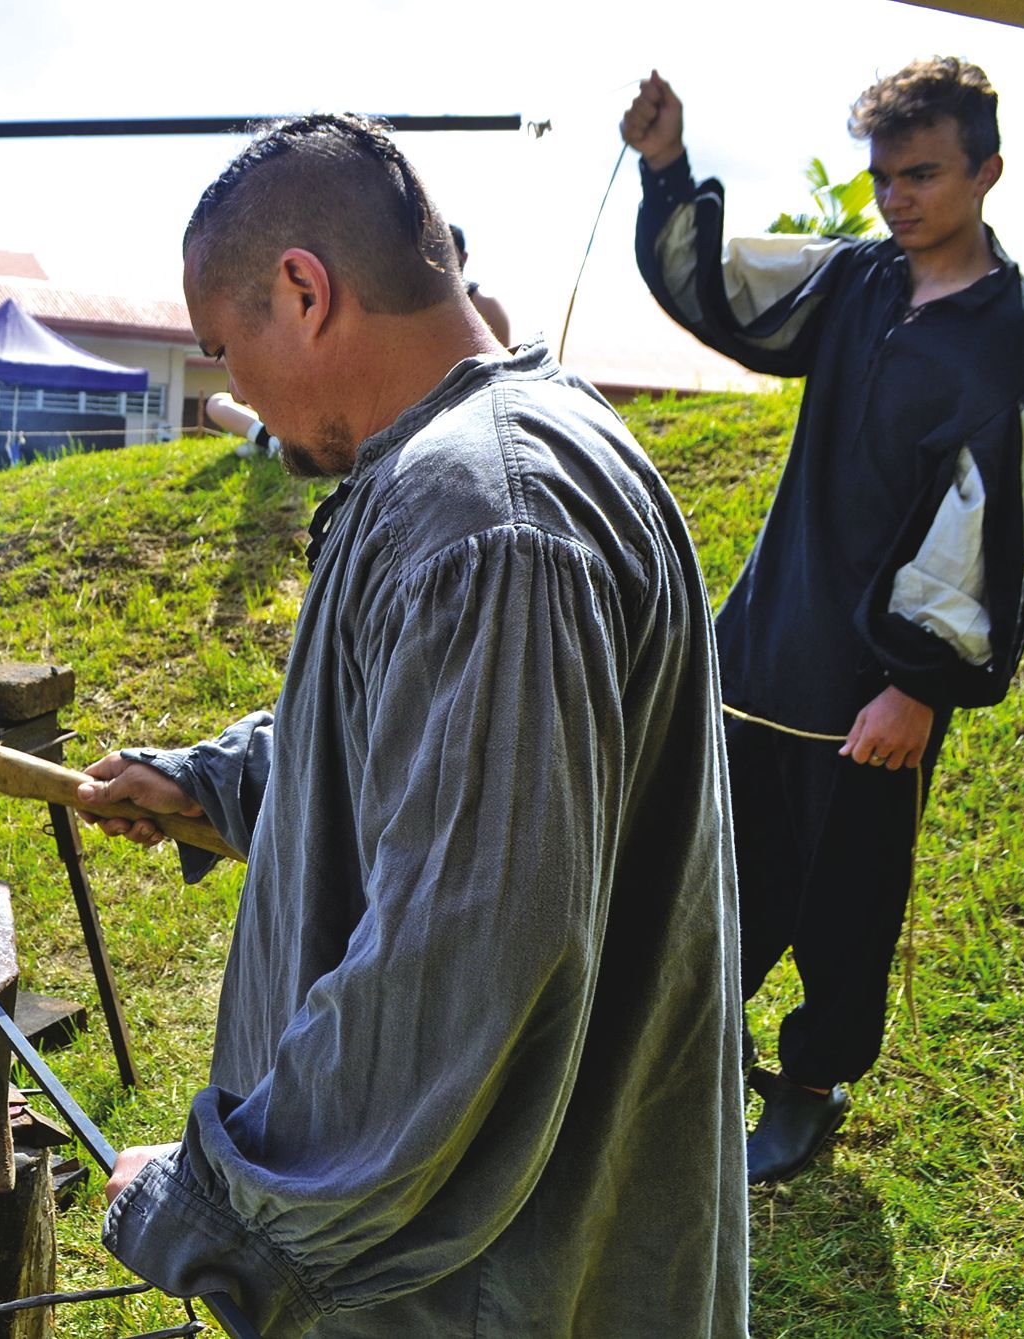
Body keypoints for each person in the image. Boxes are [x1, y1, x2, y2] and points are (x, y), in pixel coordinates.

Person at [80, 112, 746, 1337]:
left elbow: (459, 958)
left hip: (486, 1283)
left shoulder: (485, 516)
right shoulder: (485, 466)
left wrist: (221, 1210)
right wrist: (217, 783)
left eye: (228, 352)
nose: (240, 397)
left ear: (302, 291)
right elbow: (425, 755)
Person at [623, 60, 1024, 1185]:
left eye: (921, 174)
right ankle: (686, 1045)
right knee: (714, 864)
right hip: (769, 638)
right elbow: (728, 290)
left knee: (844, 899)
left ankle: (811, 1085)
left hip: (875, 686)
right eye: (882, 176)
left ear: (986, 170)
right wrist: (666, 167)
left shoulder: (1007, 342)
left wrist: (916, 684)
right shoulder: (860, 281)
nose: (896, 197)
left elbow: (988, 532)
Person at [449, 223, 512, 344]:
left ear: (463, 256)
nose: (442, 258)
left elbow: (504, 360)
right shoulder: (419, 304)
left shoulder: (485, 304)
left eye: (448, 250)